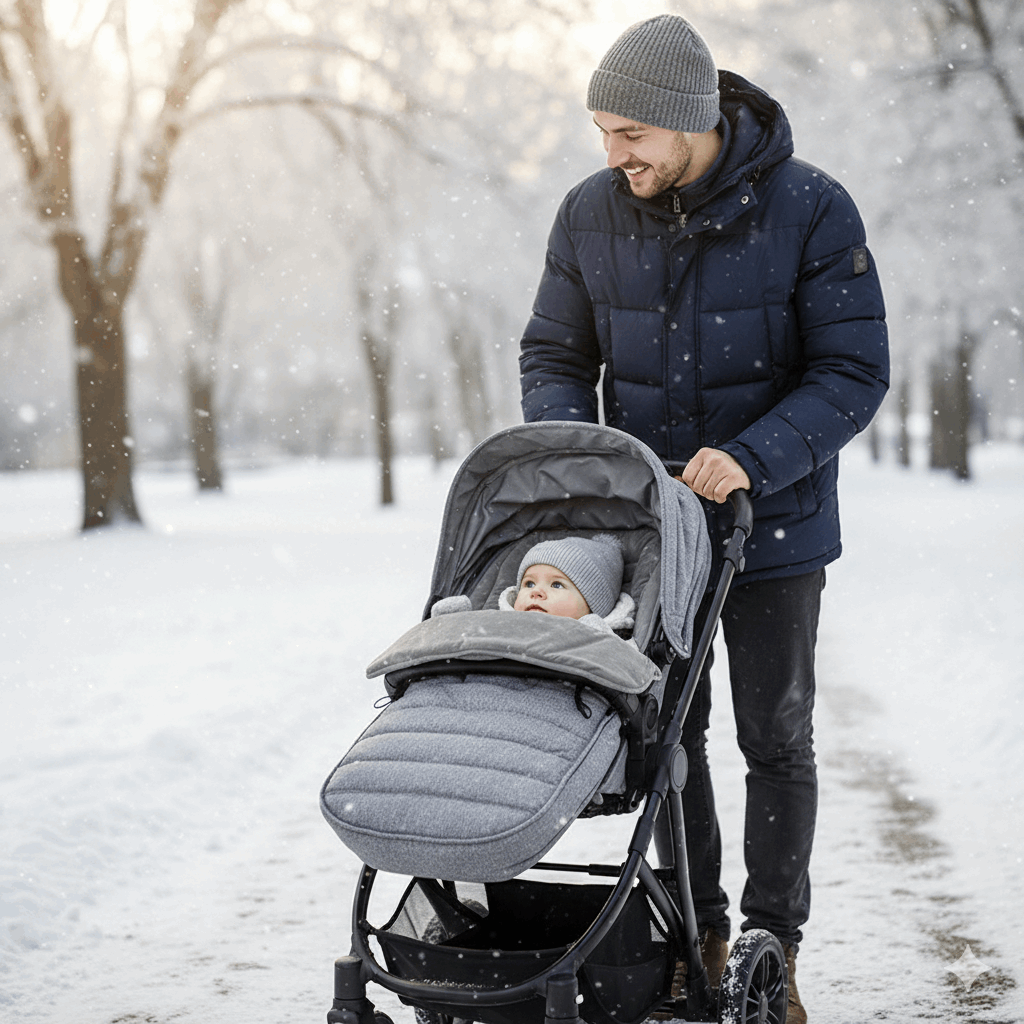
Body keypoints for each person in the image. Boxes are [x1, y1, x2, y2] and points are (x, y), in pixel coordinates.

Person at [518, 13, 890, 1023]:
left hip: (774, 527)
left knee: (774, 736)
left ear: (689, 120)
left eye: (629, 132)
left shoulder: (811, 209)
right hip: (655, 535)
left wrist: (753, 457)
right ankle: (700, 932)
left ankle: (773, 945)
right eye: (600, 131)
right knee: (670, 736)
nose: (613, 154)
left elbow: (853, 370)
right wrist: (591, 461)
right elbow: (554, 354)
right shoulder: (589, 213)